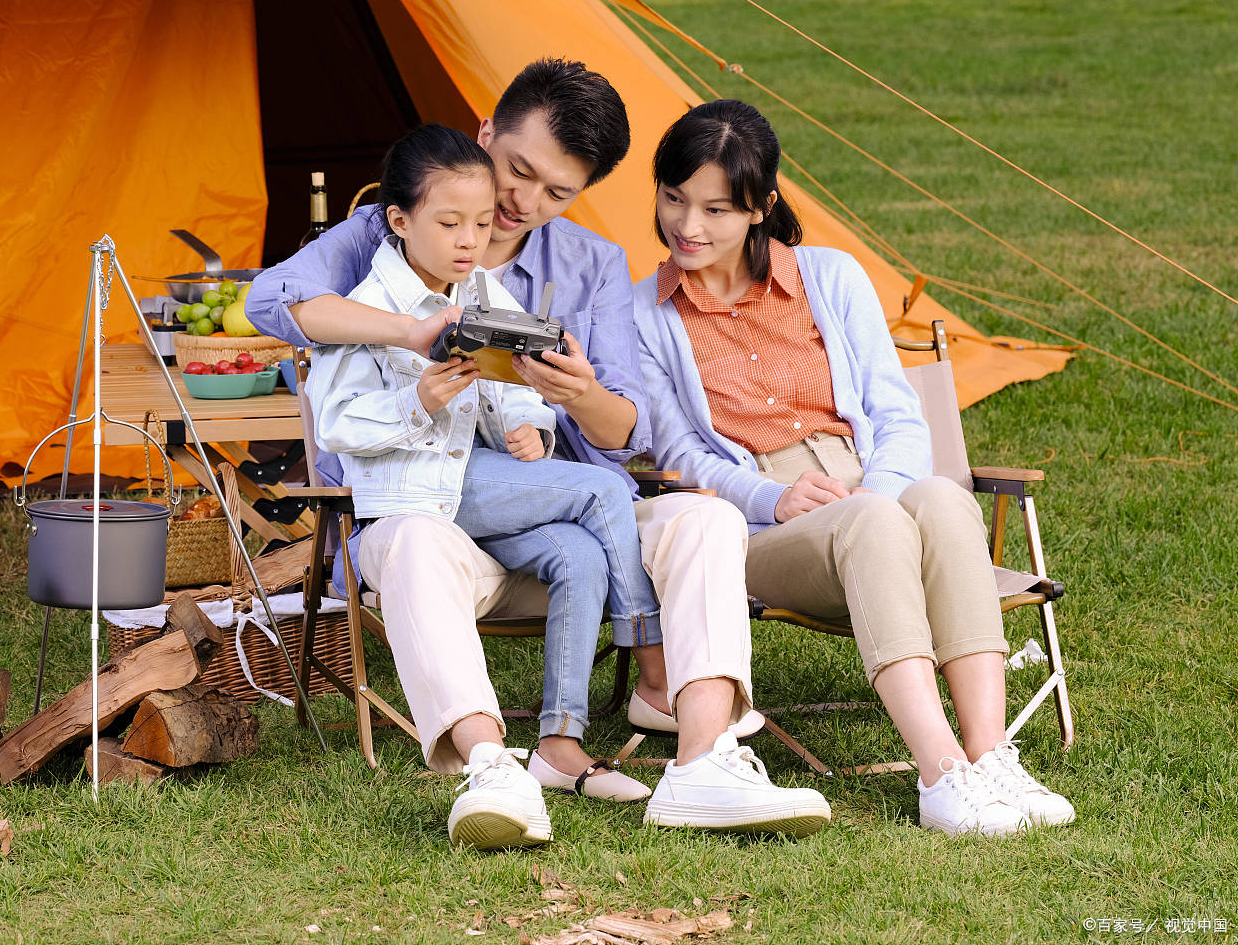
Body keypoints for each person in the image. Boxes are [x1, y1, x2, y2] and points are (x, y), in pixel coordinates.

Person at [251, 59, 830, 838]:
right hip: (429, 507)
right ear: (486, 131)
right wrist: (412, 332)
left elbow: (625, 432)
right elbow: (269, 302)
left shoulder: (589, 264)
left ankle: (702, 760)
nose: (522, 203)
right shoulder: (390, 227)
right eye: (517, 170)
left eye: (557, 192)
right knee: (417, 541)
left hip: (559, 506)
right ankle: (492, 767)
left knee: (706, 520)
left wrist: (575, 394)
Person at [633, 99, 1076, 836]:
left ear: (761, 207)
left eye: (716, 209)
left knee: (941, 499)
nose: (688, 225)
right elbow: (680, 451)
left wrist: (875, 492)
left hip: (867, 490)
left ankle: (991, 756)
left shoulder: (831, 278)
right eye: (674, 198)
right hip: (761, 527)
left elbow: (897, 415)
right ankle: (941, 774)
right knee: (873, 518)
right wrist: (771, 497)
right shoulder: (646, 313)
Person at [308, 125, 659, 847]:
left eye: (478, 221)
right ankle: (653, 663)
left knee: (579, 554)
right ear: (400, 221)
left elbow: (515, 383)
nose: (471, 239)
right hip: (418, 493)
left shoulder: (481, 290)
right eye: (449, 224)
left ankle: (561, 746)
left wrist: (531, 423)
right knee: (602, 493)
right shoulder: (370, 305)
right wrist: (417, 401)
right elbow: (335, 424)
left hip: (479, 481)